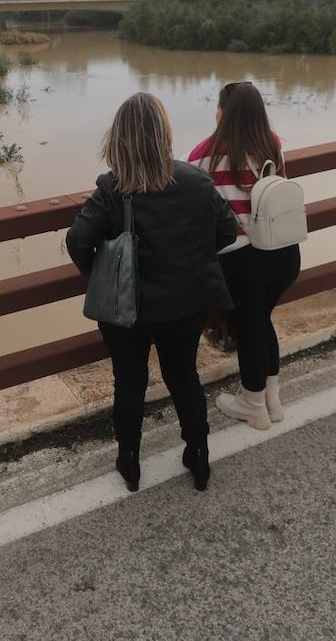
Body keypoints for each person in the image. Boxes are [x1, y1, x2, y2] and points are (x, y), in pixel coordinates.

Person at [66, 93, 237, 492]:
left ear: (119, 138)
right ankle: (198, 456)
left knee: (129, 382)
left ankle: (129, 462)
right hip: (185, 303)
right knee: (183, 378)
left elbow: (78, 242)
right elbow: (226, 232)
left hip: (128, 307)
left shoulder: (111, 189)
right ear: (164, 135)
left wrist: (102, 273)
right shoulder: (197, 182)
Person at [188, 81, 301, 430]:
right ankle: (271, 398)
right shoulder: (273, 145)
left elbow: (197, 213)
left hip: (240, 259)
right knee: (262, 320)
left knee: (250, 325)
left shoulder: (202, 155)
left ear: (222, 112)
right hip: (283, 252)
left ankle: (252, 403)